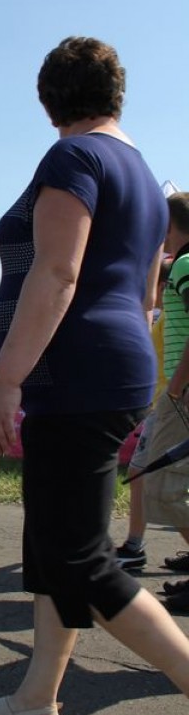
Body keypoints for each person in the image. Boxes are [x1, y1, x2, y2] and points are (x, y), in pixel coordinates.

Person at [0, 37, 189, 715]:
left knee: (79, 557)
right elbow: (148, 290)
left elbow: (56, 274)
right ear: (115, 93)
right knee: (57, 541)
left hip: (74, 371)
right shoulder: (145, 175)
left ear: (50, 99)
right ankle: (37, 698)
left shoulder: (73, 157)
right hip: (114, 367)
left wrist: (6, 381)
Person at [143, 192, 189, 610]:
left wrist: (175, 386)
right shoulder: (182, 264)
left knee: (160, 485)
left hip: (184, 392)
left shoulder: (188, 264)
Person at [115, 256, 172, 571]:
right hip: (161, 405)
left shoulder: (166, 316)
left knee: (142, 473)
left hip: (169, 404)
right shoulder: (162, 317)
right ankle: (134, 543)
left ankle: (135, 545)